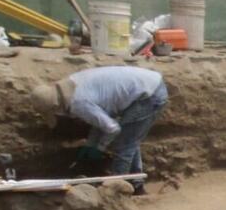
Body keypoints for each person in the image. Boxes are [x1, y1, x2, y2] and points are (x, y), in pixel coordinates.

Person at [38, 66, 168, 190]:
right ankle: (136, 184)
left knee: (124, 143)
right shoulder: (70, 85)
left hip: (149, 95)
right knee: (131, 138)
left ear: (56, 108)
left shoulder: (78, 103)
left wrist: (99, 148)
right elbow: (99, 122)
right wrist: (90, 145)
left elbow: (112, 128)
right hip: (147, 84)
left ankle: (116, 192)